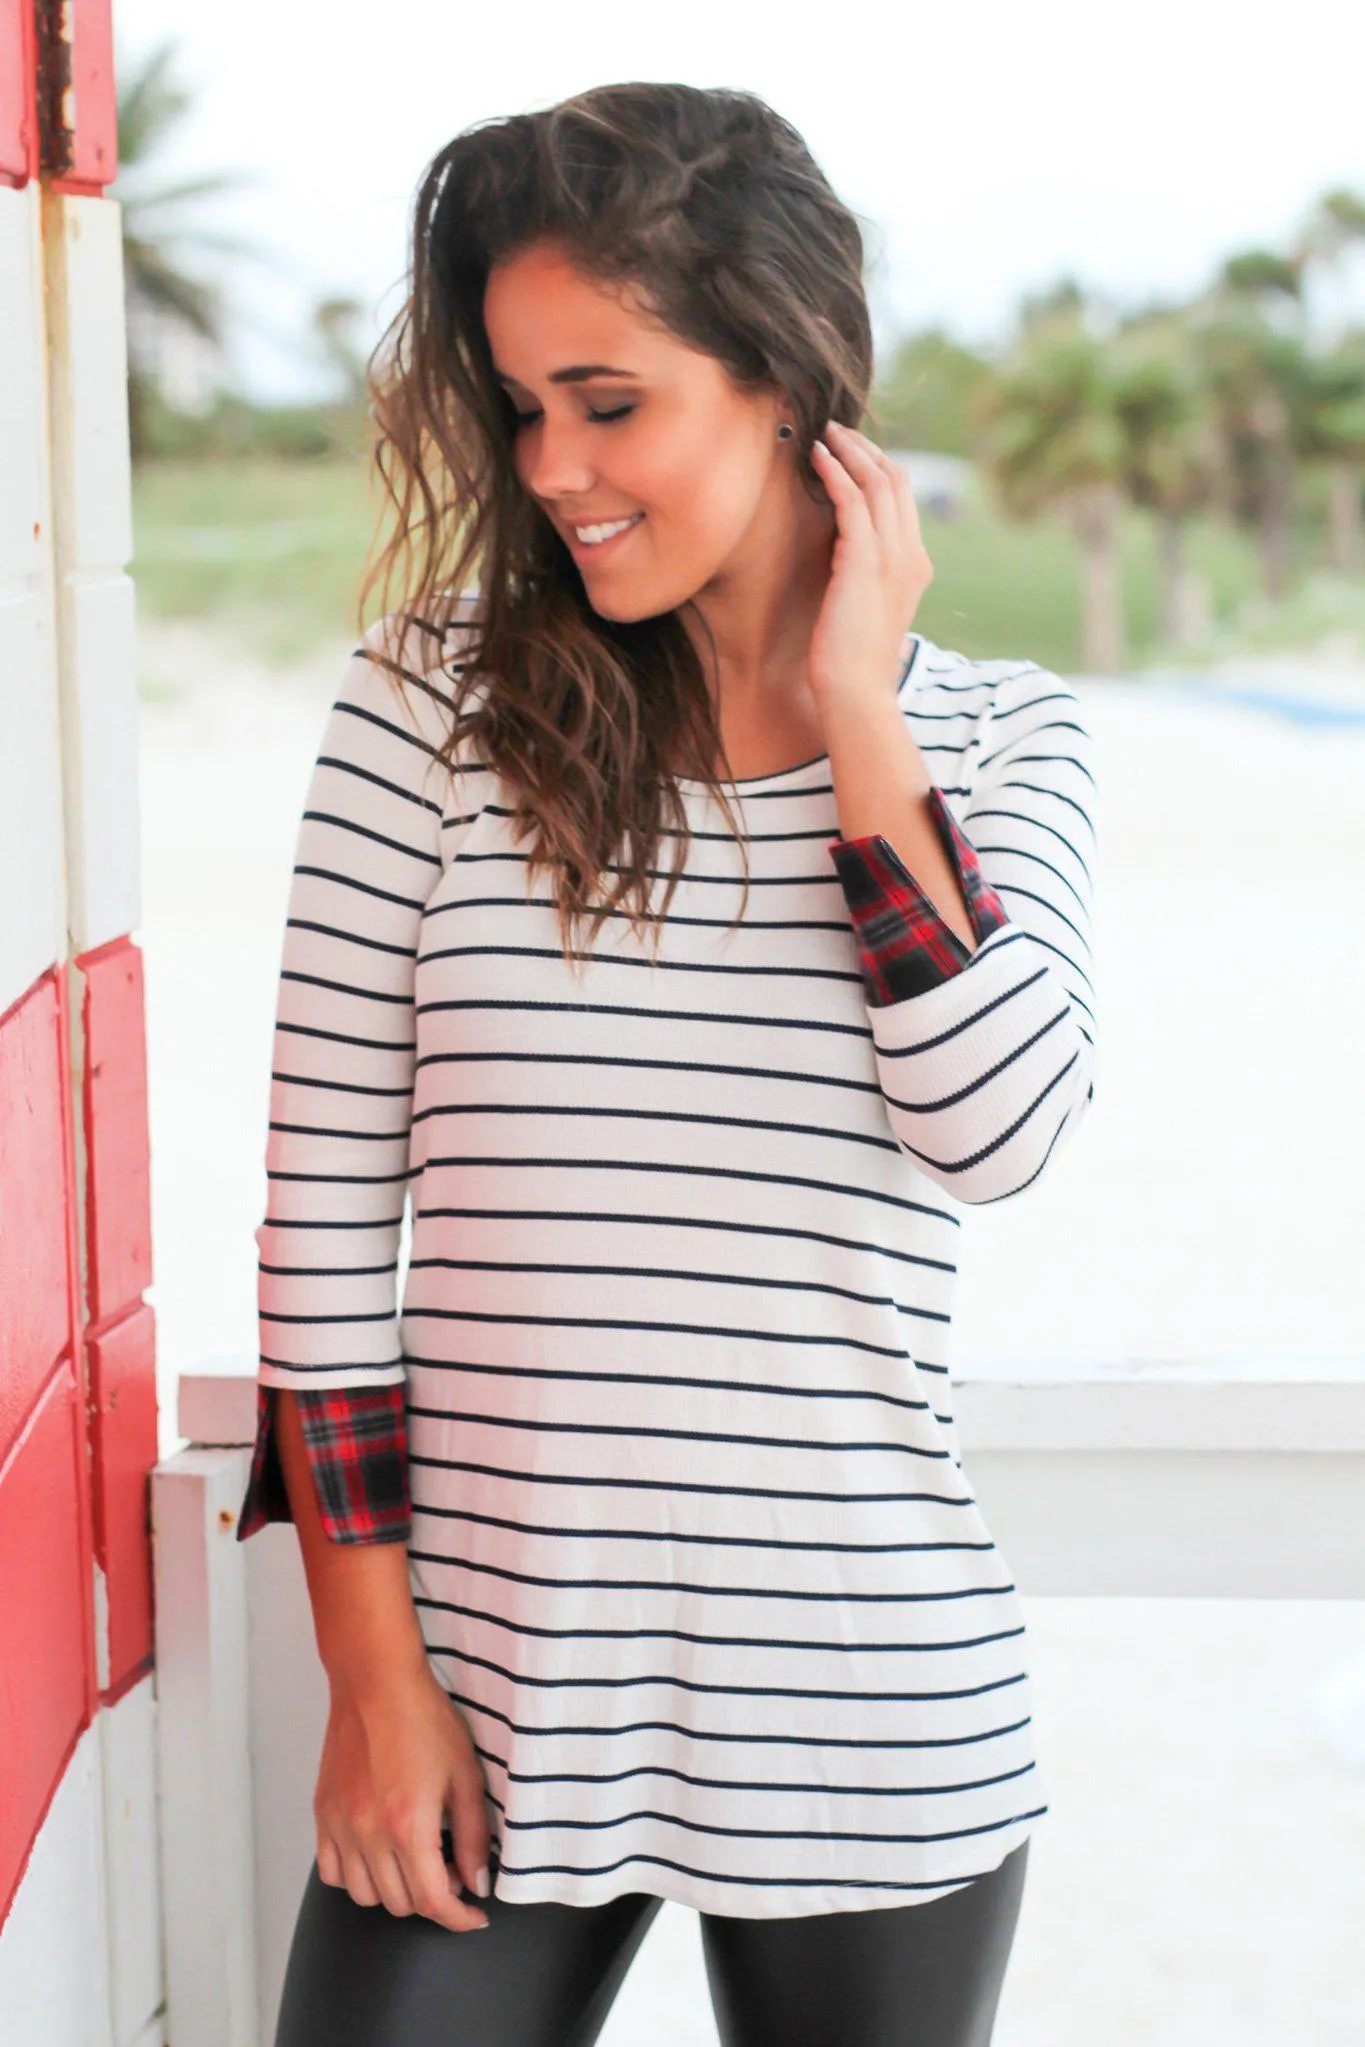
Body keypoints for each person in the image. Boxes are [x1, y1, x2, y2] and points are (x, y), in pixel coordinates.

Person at [235, 79, 1098, 2047]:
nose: (551, 464)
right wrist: (375, 1686)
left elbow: (997, 1129)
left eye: (608, 400)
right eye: (521, 405)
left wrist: (855, 712)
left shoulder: (1004, 741)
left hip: (870, 1711)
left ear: (788, 377)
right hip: (483, 1695)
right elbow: (317, 1240)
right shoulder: (422, 709)